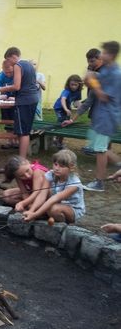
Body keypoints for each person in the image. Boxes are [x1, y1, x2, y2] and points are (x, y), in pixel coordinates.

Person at [80, 41, 121, 192]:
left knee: (100, 149)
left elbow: (103, 96)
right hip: (100, 115)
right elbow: (92, 84)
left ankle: (99, 182)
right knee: (96, 146)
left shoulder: (116, 74)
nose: (101, 55)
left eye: (104, 52)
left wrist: (92, 81)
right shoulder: (107, 70)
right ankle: (118, 164)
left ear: (111, 54)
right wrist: (90, 80)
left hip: (107, 116)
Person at [22, 149, 85, 224]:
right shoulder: (50, 174)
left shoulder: (75, 183)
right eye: (55, 164)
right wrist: (31, 211)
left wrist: (35, 214)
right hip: (57, 203)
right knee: (41, 204)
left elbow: (55, 198)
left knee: (53, 209)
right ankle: (50, 216)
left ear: (71, 168)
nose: (57, 168)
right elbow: (42, 195)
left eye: (61, 166)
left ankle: (64, 224)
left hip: (73, 209)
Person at [0, 47, 39, 158]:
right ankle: (22, 157)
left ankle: (22, 159)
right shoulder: (29, 64)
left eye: (8, 59)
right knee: (26, 129)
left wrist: (3, 89)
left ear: (13, 56)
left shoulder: (18, 65)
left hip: (24, 101)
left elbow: (16, 86)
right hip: (33, 98)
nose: (8, 62)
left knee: (23, 132)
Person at [52, 74, 83, 149]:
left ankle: (59, 141)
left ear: (79, 85)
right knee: (61, 121)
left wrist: (80, 106)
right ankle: (55, 138)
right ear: (68, 84)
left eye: (76, 85)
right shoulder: (66, 91)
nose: (73, 86)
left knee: (66, 123)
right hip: (59, 108)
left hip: (67, 108)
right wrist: (66, 109)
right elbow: (63, 100)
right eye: (72, 84)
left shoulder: (78, 92)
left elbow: (76, 102)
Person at [0, 60, 18, 149]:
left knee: (16, 121)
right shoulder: (0, 76)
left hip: (17, 103)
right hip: (5, 104)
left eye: (10, 72)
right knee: (7, 121)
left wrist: (15, 98)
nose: (8, 74)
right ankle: (9, 141)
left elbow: (24, 92)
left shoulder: (18, 75)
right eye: (5, 72)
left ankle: (16, 140)